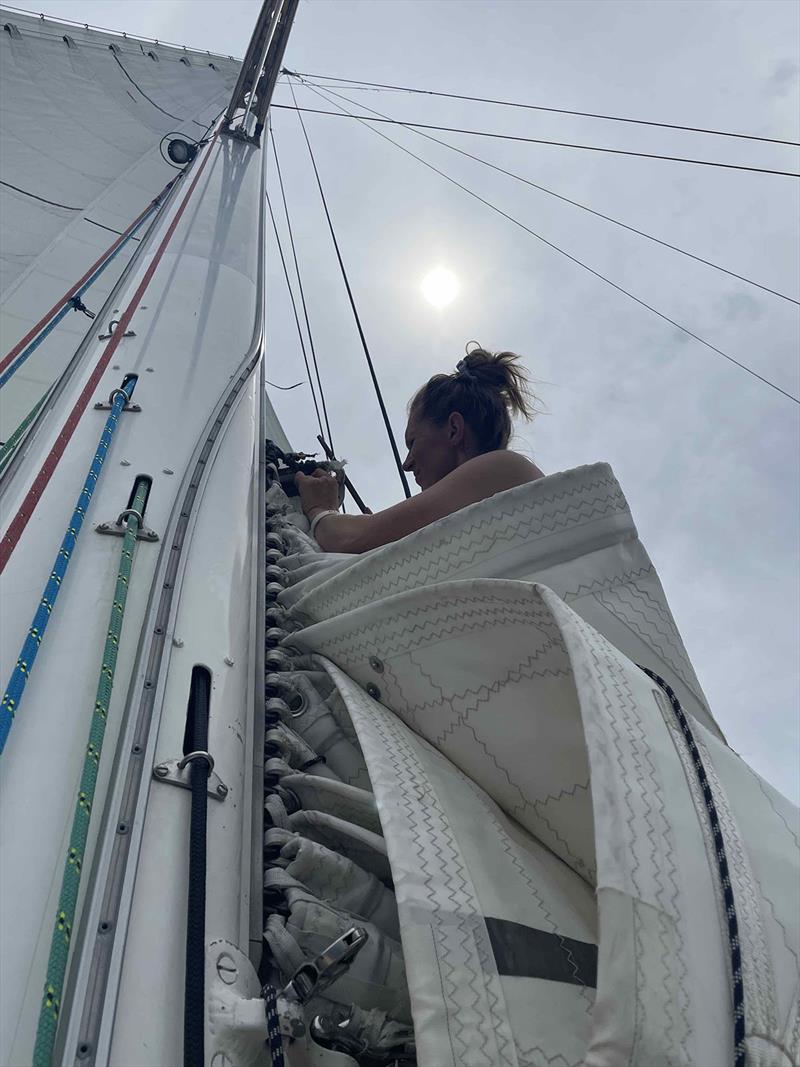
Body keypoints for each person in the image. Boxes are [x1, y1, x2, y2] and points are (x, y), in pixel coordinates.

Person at [295, 347, 544, 553]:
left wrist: (320, 509)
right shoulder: (490, 497)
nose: (407, 464)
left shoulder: (504, 469)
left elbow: (346, 540)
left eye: (413, 443)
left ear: (454, 430)